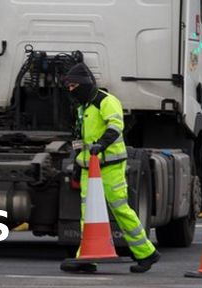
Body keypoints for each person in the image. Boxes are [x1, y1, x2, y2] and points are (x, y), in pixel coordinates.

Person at [59, 61, 160, 274]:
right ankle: (85, 257)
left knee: (120, 208)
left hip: (110, 166)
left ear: (84, 84)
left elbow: (116, 126)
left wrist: (101, 146)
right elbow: (78, 138)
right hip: (89, 168)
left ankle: (146, 253)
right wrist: (78, 162)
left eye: (73, 86)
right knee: (88, 214)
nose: (70, 91)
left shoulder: (106, 101)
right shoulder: (81, 107)